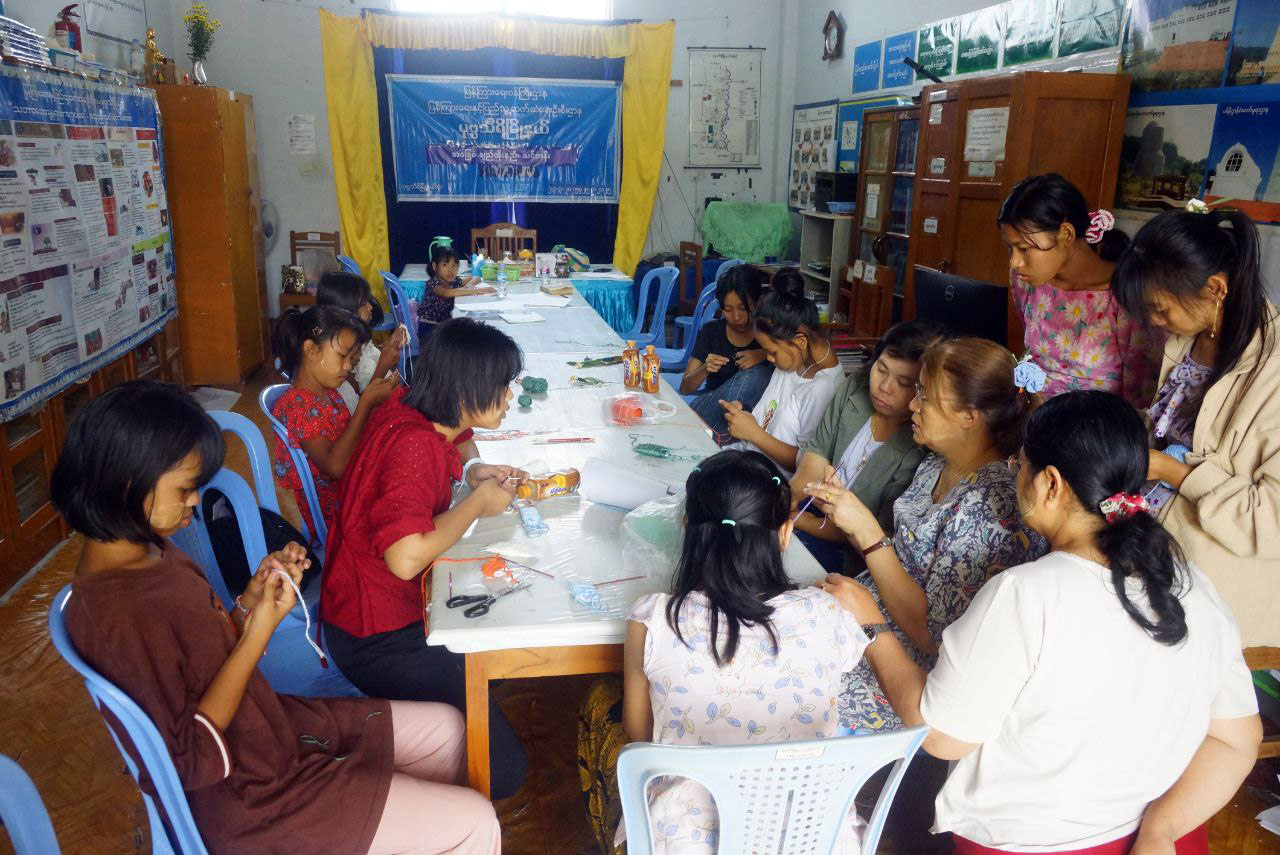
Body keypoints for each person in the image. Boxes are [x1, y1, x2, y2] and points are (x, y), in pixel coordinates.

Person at [51, 381, 500, 855]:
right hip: (251, 800)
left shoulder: (148, 550)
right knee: (475, 824)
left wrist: (250, 602)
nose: (195, 501)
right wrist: (258, 633)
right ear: (128, 483)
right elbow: (193, 757)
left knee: (449, 731)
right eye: (185, 489)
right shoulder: (116, 614)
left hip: (271, 729)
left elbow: (200, 655)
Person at [822, 391, 1261, 855]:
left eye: (1020, 465)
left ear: (1050, 483)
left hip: (1034, 844)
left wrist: (871, 626)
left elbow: (942, 735)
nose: (1015, 477)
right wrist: (1161, 829)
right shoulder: (1193, 586)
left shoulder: (1025, 594)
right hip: (1165, 839)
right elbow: (1237, 741)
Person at [803, 337, 1047, 852]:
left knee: (788, 695)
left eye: (925, 397)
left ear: (970, 417)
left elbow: (933, 635)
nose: (911, 405)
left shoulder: (993, 508)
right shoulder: (936, 464)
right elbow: (905, 562)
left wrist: (867, 535)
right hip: (869, 621)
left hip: (905, 667)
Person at [579, 450, 870, 854]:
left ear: (687, 528)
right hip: (815, 842)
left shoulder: (652, 619)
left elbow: (641, 732)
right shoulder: (828, 613)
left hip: (684, 845)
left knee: (601, 708)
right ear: (785, 533)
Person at [321, 317, 529, 798]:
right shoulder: (415, 446)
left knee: (494, 652)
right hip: (376, 635)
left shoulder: (410, 407)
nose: (510, 396)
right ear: (467, 389)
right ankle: (373, 769)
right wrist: (476, 504)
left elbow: (459, 436)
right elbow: (406, 557)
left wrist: (473, 469)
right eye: (503, 385)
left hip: (368, 607)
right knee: (505, 770)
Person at [1113, 205, 1280, 649]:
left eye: (1160, 309)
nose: (1154, 322)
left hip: (1212, 583)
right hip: (1147, 542)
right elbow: (1167, 426)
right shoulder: (1189, 338)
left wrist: (1174, 472)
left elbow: (1270, 520)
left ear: (1216, 289)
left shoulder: (1273, 371)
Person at [790, 320, 946, 573]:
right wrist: (791, 497)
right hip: (810, 512)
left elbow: (875, 531)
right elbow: (818, 453)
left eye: (904, 383)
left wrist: (800, 521)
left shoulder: (919, 447)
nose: (884, 387)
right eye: (881, 369)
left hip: (851, 551)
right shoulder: (856, 387)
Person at [998, 173, 1160, 408]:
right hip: (1032, 415)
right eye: (1010, 248)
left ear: (1066, 234)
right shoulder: (1026, 281)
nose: (1014, 262)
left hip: (1095, 426)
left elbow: (1140, 395)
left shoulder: (1128, 296)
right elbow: (1035, 354)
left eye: (1023, 248)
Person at [269, 306, 397, 538]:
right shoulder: (297, 405)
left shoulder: (328, 392)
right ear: (311, 349)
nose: (348, 366)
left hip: (347, 489)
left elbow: (348, 437)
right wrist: (366, 404)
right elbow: (335, 467)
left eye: (351, 358)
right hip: (328, 510)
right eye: (341, 356)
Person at [721, 269, 844, 476]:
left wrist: (754, 433)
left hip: (769, 480)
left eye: (772, 351)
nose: (768, 358)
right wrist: (746, 415)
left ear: (800, 341)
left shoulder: (823, 389)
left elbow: (805, 466)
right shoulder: (793, 360)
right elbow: (773, 418)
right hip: (748, 458)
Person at [683, 265, 773, 435]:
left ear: (756, 303)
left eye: (742, 308)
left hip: (749, 419)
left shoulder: (768, 335)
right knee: (757, 375)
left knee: (760, 374)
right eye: (728, 310)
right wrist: (705, 369)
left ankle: (716, 439)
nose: (736, 317)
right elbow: (686, 388)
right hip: (709, 409)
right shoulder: (711, 331)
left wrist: (763, 354)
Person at [317, 270, 407, 412]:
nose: (370, 307)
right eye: (364, 303)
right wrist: (384, 364)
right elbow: (361, 405)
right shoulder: (344, 357)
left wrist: (385, 348)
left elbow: (368, 353)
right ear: (346, 309)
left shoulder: (358, 342)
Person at [417, 241, 496, 338]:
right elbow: (446, 293)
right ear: (434, 267)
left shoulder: (453, 282)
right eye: (445, 265)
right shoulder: (433, 284)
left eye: (454, 265)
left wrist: (469, 285)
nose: (451, 270)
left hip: (444, 326)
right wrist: (479, 290)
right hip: (429, 328)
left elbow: (476, 278)